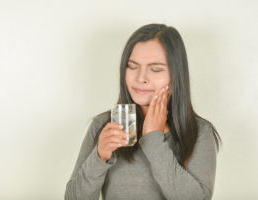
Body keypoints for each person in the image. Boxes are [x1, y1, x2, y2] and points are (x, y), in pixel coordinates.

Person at [64, 23, 222, 200]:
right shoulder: (104, 125)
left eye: (155, 69)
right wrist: (100, 156)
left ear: (176, 75)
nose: (140, 78)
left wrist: (153, 139)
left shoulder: (200, 132)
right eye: (132, 66)